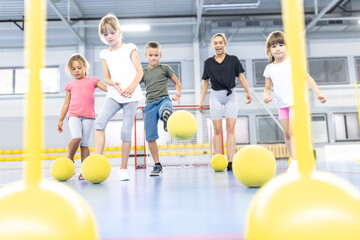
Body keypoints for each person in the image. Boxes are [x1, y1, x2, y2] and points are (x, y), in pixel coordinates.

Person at [263, 31, 326, 173]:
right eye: (274, 46)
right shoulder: (269, 68)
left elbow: (307, 78)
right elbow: (267, 88)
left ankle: (297, 161)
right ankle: (293, 160)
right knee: (286, 134)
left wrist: (318, 93)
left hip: (296, 102)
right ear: (269, 50)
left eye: (281, 45)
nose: (278, 48)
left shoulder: (292, 63)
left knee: (293, 131)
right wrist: (266, 96)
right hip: (281, 105)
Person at [95, 13, 144, 181]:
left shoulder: (129, 48)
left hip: (131, 95)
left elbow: (140, 71)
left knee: (125, 131)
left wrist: (130, 88)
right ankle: (97, 160)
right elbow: (106, 77)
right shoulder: (104, 54)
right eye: (105, 34)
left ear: (119, 32)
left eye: (112, 32)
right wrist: (113, 84)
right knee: (99, 123)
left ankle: (123, 168)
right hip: (114, 95)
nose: (109, 36)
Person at [199, 33, 252, 171]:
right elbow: (205, 83)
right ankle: (218, 160)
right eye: (215, 43)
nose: (218, 45)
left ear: (225, 44)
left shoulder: (233, 60)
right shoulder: (208, 63)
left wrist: (248, 92)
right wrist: (201, 100)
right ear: (213, 46)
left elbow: (241, 77)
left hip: (230, 95)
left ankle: (230, 161)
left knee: (230, 129)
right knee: (217, 130)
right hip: (215, 95)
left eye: (220, 42)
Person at [58, 53, 107, 180]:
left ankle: (84, 171)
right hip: (74, 115)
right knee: (77, 137)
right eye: (73, 69)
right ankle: (70, 157)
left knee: (84, 144)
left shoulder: (93, 81)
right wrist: (60, 119)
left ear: (85, 67)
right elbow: (66, 104)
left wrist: (117, 87)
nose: (76, 71)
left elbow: (107, 89)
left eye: (79, 67)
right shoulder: (70, 85)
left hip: (88, 116)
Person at [141, 41, 182, 176]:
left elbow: (177, 82)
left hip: (163, 99)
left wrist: (177, 93)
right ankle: (157, 165)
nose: (153, 58)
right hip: (149, 105)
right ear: (146, 55)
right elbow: (133, 84)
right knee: (150, 137)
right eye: (151, 55)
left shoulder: (165, 68)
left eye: (156, 55)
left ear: (160, 55)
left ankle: (166, 117)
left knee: (166, 107)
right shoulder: (143, 72)